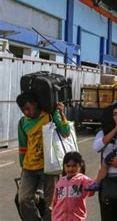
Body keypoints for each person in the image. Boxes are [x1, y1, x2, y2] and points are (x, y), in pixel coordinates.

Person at [17, 92, 71, 221]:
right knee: (23, 199)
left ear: (35, 104)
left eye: (28, 108)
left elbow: (66, 132)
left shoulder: (50, 116)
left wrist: (62, 115)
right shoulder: (23, 122)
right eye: (23, 110)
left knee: (51, 204)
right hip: (29, 168)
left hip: (50, 166)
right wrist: (22, 167)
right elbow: (23, 147)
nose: (26, 112)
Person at [52, 152, 95, 221]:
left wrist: (97, 182)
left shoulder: (83, 180)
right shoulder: (60, 182)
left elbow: (91, 191)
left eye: (74, 166)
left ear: (80, 166)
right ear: (64, 166)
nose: (71, 169)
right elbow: (55, 202)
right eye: (68, 166)